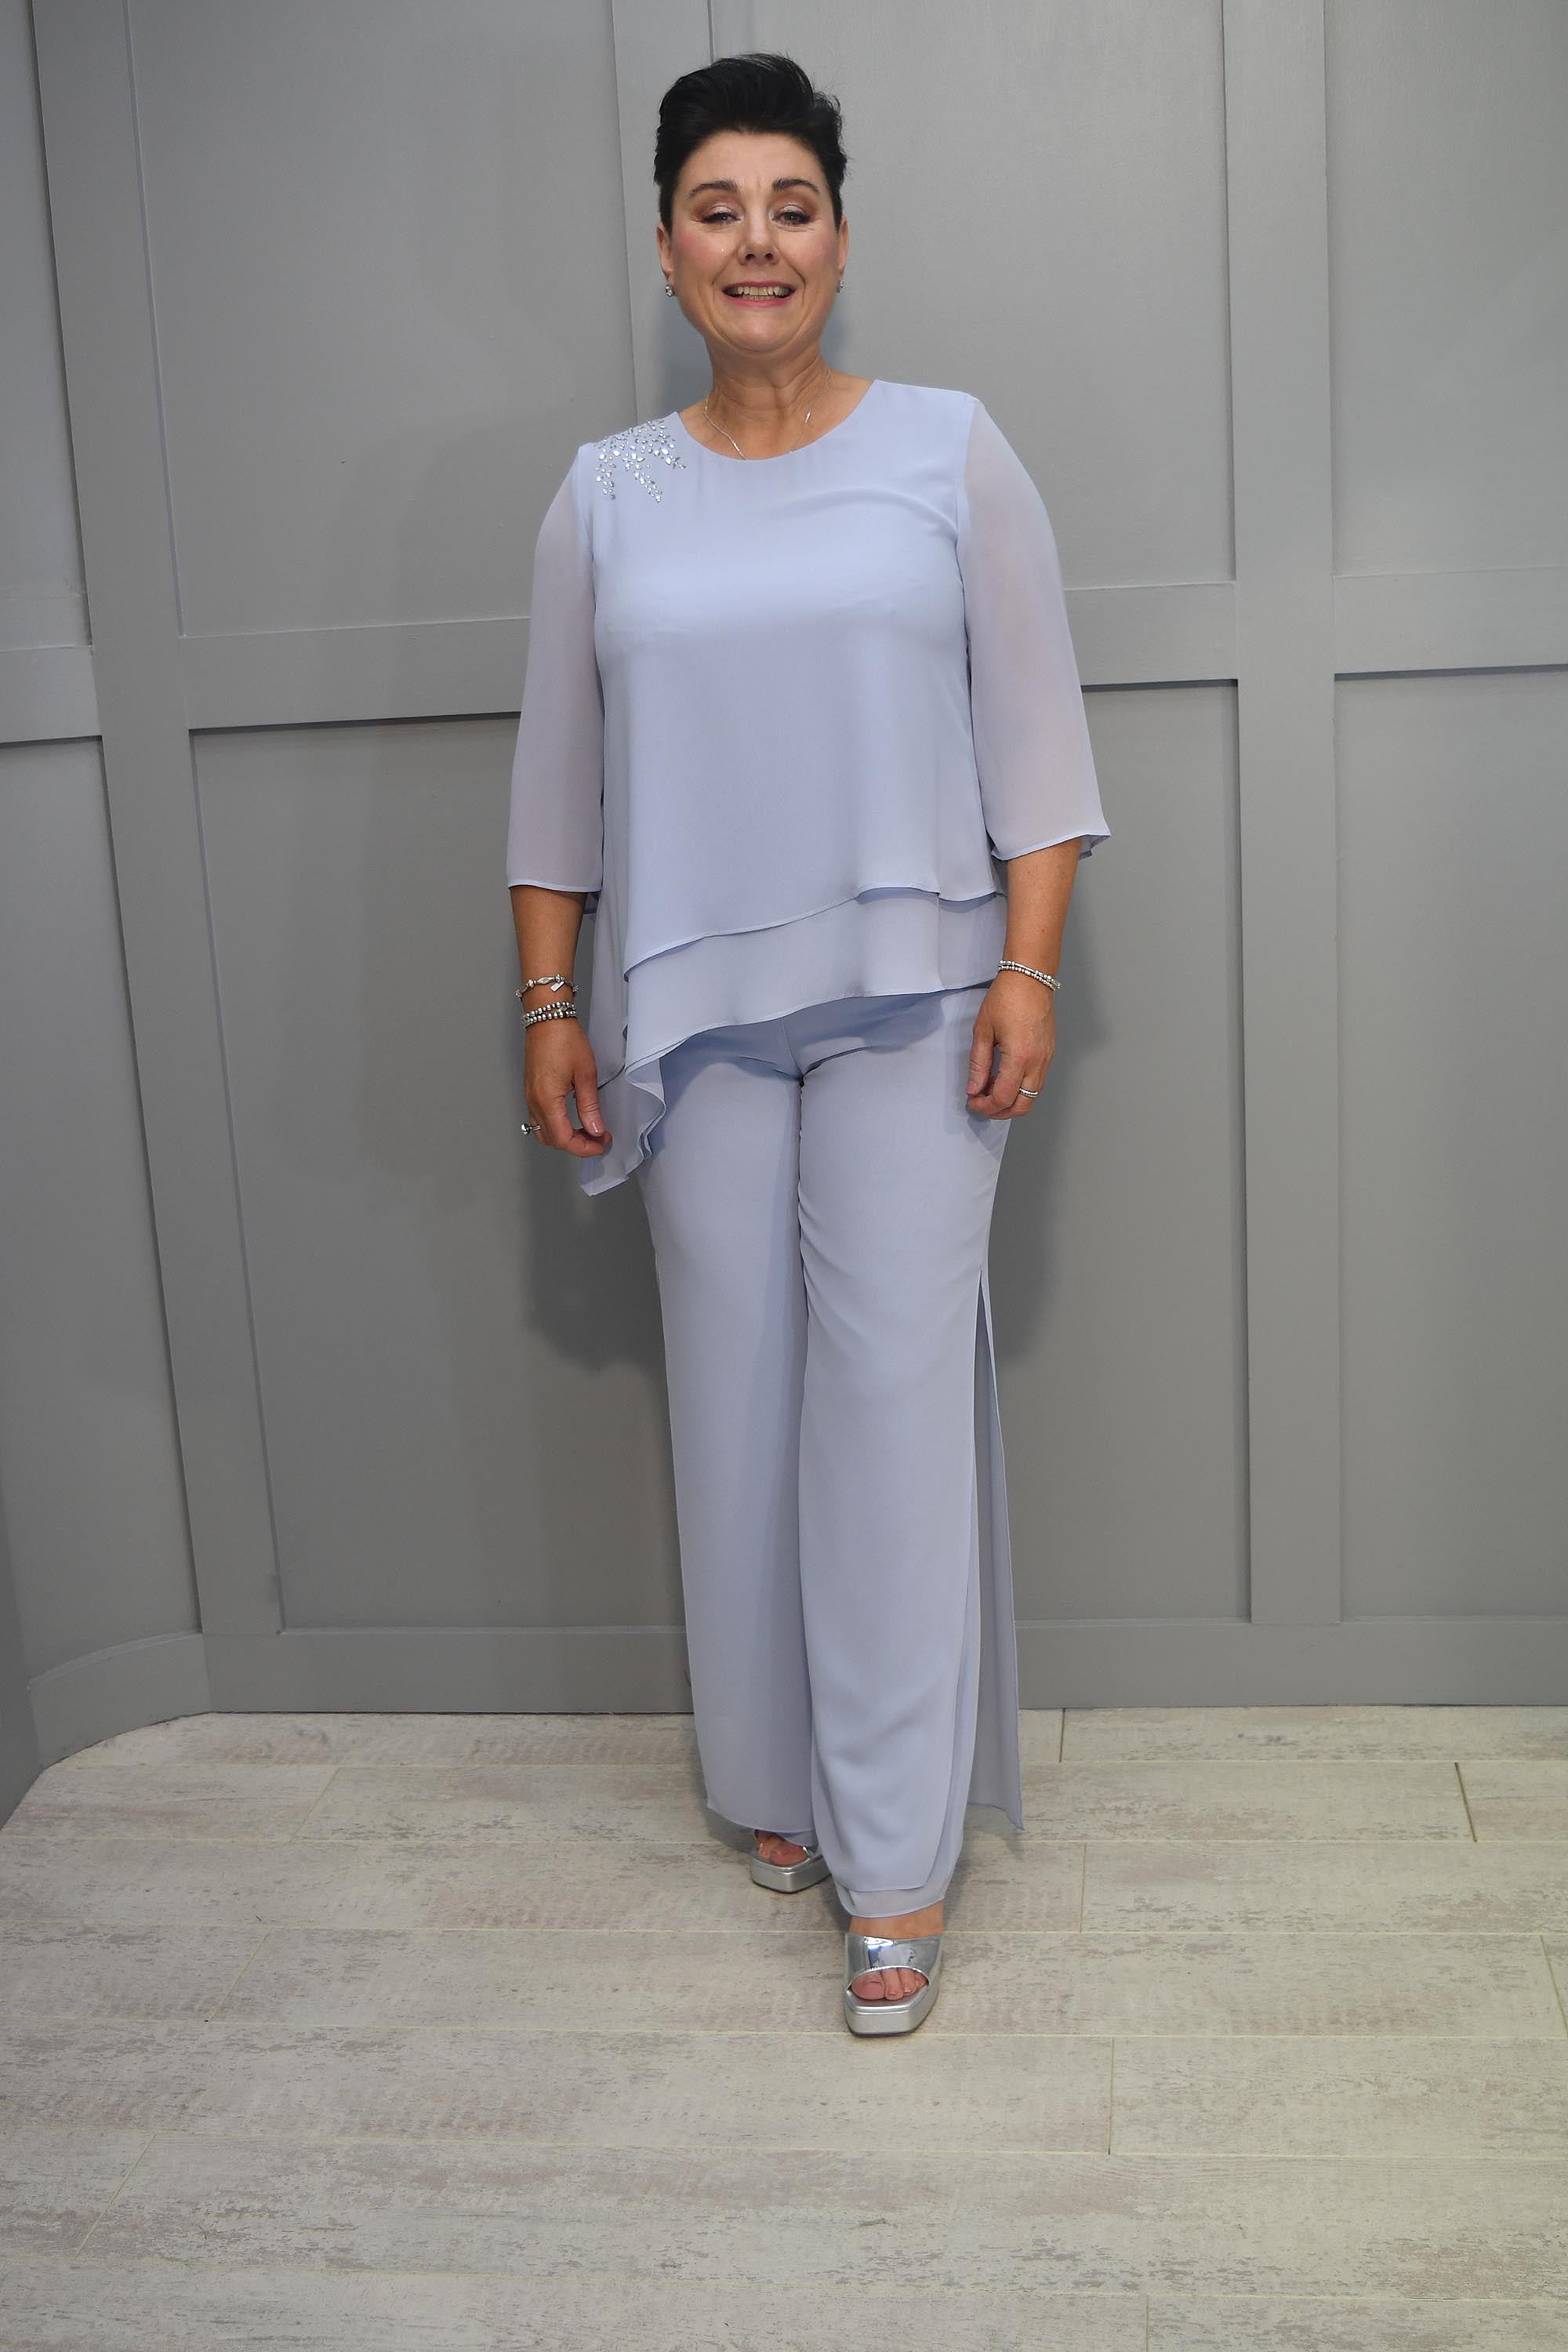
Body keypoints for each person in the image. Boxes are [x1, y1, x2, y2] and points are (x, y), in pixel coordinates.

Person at [506, 52, 1109, 2035]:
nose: (754, 241)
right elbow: (560, 790)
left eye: (790, 204)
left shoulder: (949, 451)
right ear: (666, 246)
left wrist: (1028, 973)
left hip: (917, 1004)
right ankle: (777, 1782)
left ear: (839, 239)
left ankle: (898, 1865)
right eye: (717, 207)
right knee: (737, 1401)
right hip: (685, 1023)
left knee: (888, 1413)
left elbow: (1036, 748)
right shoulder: (607, 495)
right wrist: (547, 1003)